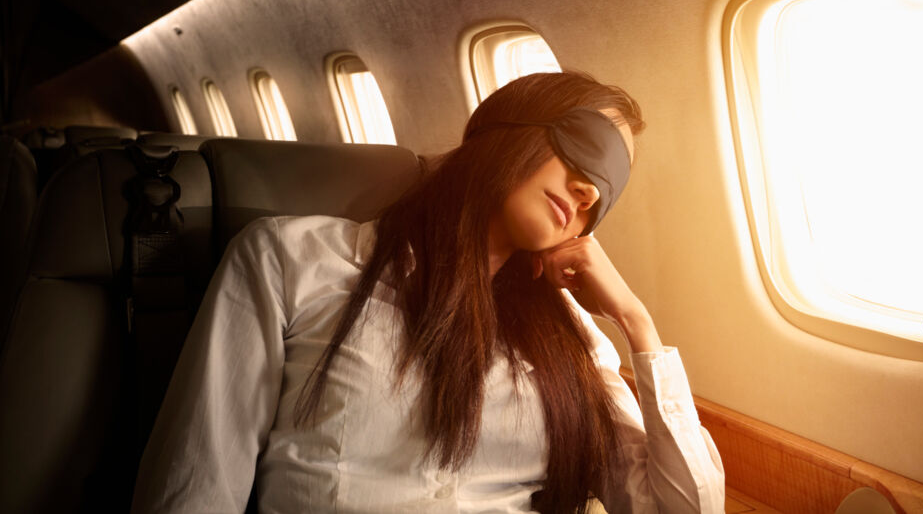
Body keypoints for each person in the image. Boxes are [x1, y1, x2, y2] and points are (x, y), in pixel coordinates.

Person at [132, 71, 725, 513]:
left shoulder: (573, 341)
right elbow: (196, 487)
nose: (591, 192)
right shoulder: (290, 260)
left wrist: (638, 324)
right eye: (586, 148)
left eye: (608, 190)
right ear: (508, 128)